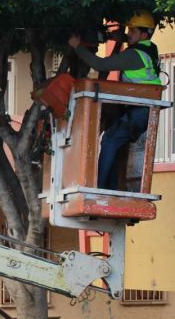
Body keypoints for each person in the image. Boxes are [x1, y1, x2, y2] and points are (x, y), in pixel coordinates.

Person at [68, 10, 163, 190]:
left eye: (133, 30)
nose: (129, 33)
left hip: (140, 110)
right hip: (144, 109)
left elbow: (99, 65)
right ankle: (109, 187)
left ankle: (101, 187)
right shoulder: (150, 48)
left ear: (144, 34)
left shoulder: (134, 55)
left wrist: (77, 46)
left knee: (109, 141)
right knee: (114, 143)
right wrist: (119, 37)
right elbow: (134, 40)